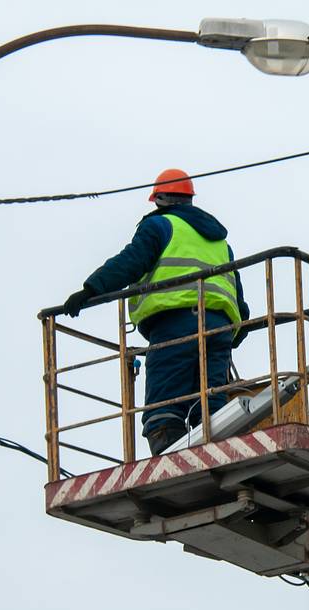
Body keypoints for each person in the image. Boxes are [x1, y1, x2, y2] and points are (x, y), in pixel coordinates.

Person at [62, 168, 249, 456]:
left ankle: (169, 452)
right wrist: (234, 333)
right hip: (219, 327)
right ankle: (216, 446)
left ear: (159, 198)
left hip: (176, 323)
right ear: (190, 200)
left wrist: (90, 290)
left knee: (165, 402)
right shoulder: (220, 242)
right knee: (211, 400)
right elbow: (238, 296)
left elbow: (130, 262)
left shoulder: (160, 226)